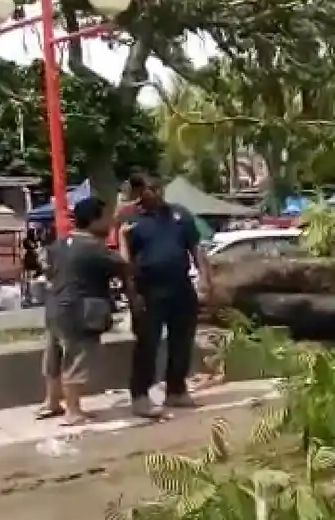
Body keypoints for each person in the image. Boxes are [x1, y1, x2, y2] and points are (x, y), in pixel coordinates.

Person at [37, 197, 136, 426]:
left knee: (54, 356)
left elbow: (48, 270)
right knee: (77, 357)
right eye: (105, 218)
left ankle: (52, 401)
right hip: (81, 309)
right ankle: (73, 410)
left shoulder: (59, 245)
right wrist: (122, 236)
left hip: (55, 306)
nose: (108, 222)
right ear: (93, 220)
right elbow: (123, 265)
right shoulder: (94, 248)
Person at [119, 171, 212, 415]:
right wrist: (131, 294)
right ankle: (140, 394)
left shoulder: (179, 215)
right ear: (140, 193)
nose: (156, 193)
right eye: (150, 189)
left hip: (180, 285)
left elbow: (196, 248)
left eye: (158, 188)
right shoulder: (130, 220)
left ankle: (176, 390)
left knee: (182, 340)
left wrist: (205, 279)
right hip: (148, 289)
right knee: (147, 343)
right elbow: (123, 260)